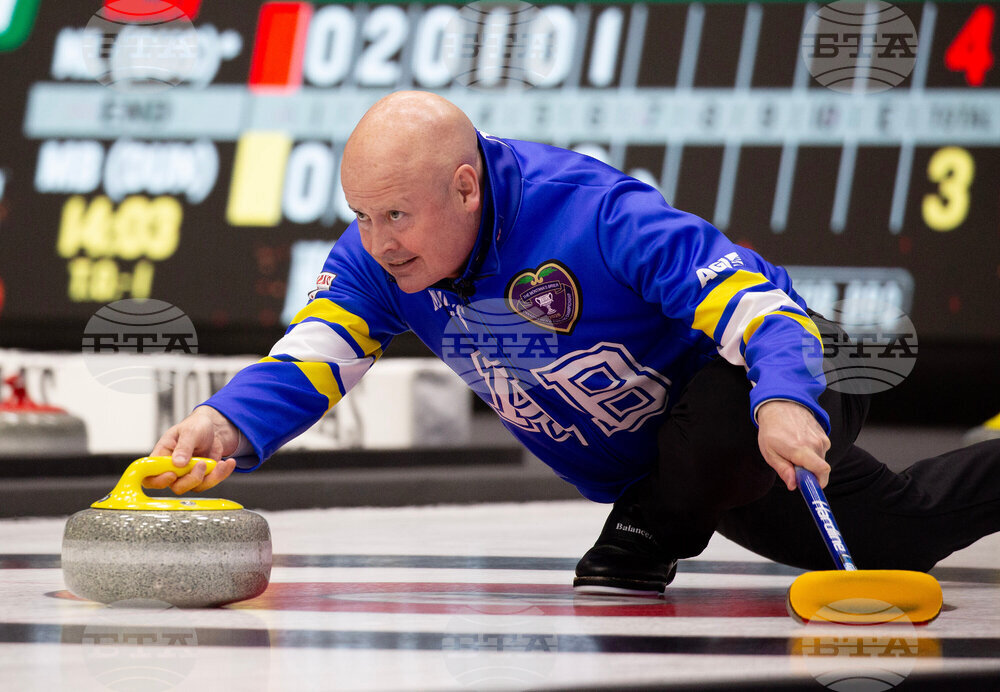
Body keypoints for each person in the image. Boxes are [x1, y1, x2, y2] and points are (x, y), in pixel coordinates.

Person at [147, 91, 1000, 594]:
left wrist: (782, 399)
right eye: (362, 216)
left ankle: (648, 535)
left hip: (770, 390)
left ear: (466, 185)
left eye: (397, 216)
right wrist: (226, 425)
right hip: (681, 472)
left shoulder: (594, 213)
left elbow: (760, 308)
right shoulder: (380, 262)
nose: (378, 241)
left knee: (721, 407)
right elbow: (312, 357)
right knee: (899, 539)